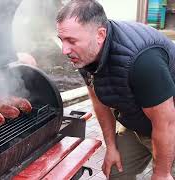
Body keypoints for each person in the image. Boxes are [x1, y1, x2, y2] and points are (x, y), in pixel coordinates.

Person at [56, 0, 175, 179]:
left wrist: (161, 173)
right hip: (138, 122)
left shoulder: (143, 61)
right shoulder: (85, 54)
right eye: (62, 40)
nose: (65, 50)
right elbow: (99, 101)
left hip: (169, 126)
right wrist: (111, 147)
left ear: (100, 34)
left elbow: (166, 123)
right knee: (116, 171)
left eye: (71, 41)